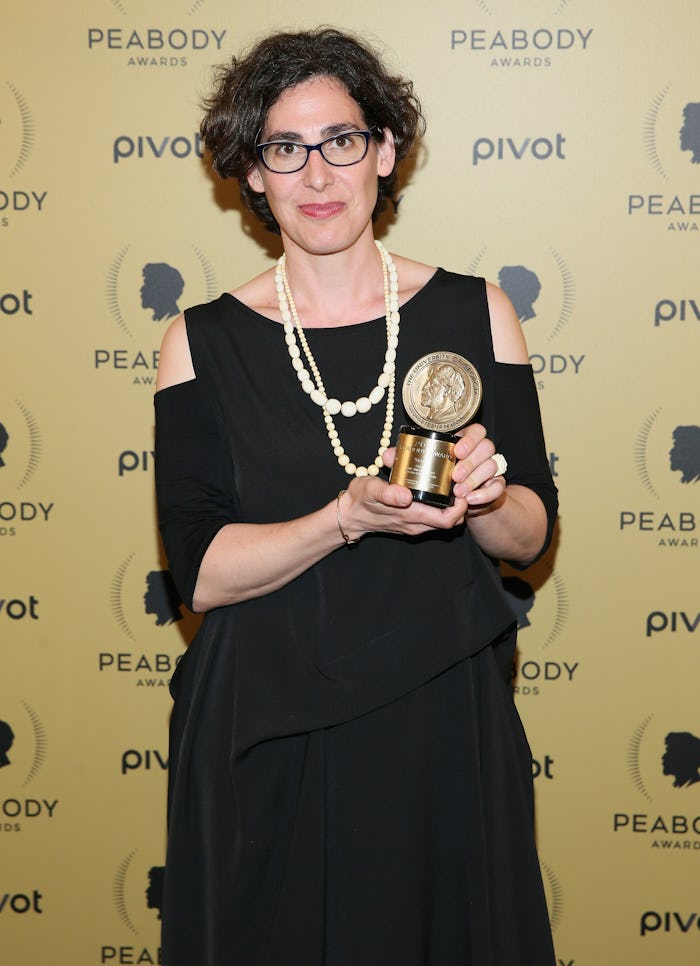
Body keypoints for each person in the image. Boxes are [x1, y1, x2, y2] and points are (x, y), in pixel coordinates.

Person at [154, 26, 558, 966]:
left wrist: (489, 496)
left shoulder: (477, 311)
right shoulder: (200, 342)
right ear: (252, 175)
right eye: (284, 149)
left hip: (441, 720)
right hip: (263, 726)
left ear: (383, 149)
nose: (317, 174)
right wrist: (343, 518)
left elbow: (530, 535)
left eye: (340, 140)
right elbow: (200, 575)